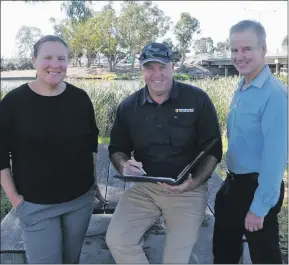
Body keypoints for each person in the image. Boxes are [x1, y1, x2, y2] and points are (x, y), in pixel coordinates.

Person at [105, 42, 223, 264]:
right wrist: (123, 165)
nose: (156, 74)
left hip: (188, 189)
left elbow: (214, 149)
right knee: (118, 240)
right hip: (144, 188)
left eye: (162, 66)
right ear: (142, 69)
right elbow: (117, 149)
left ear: (173, 67)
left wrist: (194, 182)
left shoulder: (197, 100)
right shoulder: (129, 106)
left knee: (175, 258)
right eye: (149, 67)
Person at [0, 35, 106, 264]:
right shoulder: (13, 103)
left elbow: (91, 144)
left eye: (62, 58)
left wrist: (94, 183)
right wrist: (16, 200)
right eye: (47, 57)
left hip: (80, 201)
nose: (55, 64)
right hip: (35, 205)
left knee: (71, 260)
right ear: (34, 61)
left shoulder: (80, 98)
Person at [212, 20, 288, 264]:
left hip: (258, 188)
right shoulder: (243, 86)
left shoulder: (274, 95)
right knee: (224, 254)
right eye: (234, 50)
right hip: (233, 184)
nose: (239, 56)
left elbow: (275, 159)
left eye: (247, 49)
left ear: (263, 50)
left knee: (265, 257)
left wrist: (259, 208)